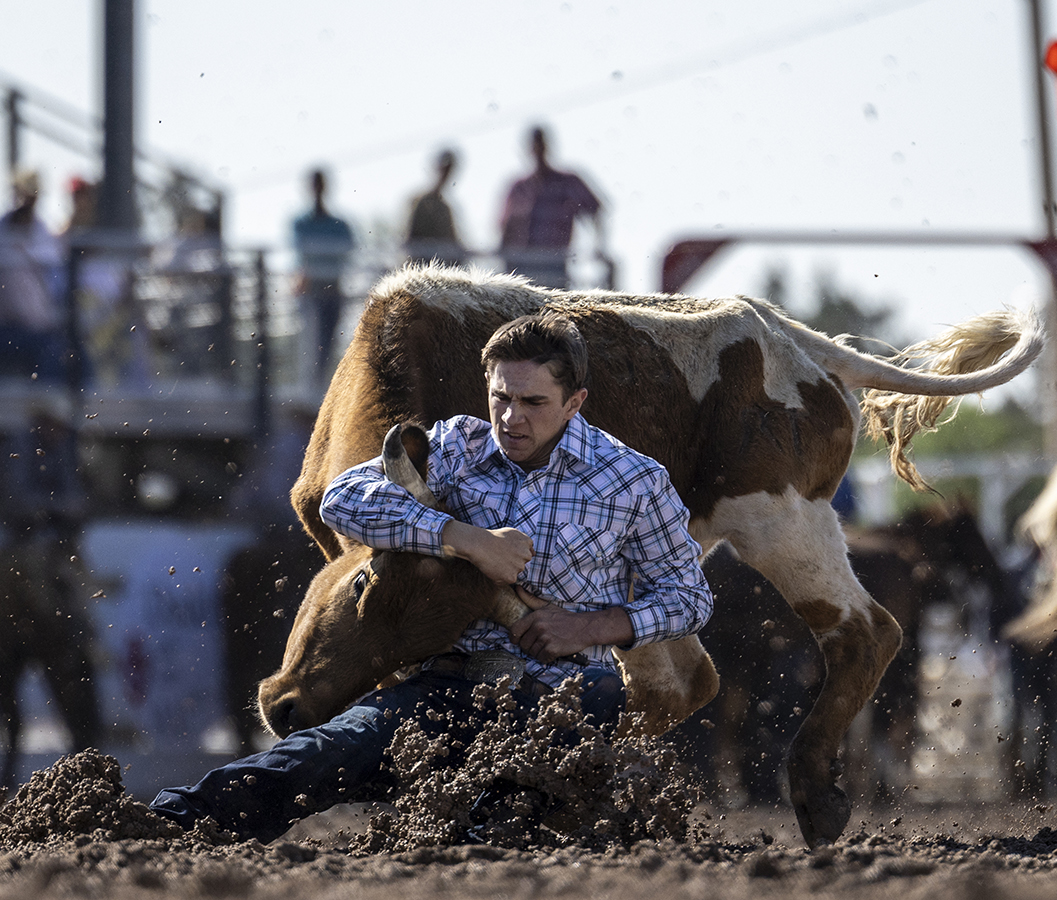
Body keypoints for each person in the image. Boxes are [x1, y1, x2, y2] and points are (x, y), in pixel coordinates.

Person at [150, 313, 714, 843]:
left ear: (575, 402)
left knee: (563, 736)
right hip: (444, 683)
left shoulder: (635, 481)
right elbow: (343, 501)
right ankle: (158, 823)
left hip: (567, 688)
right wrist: (464, 538)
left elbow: (689, 598)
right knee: (323, 753)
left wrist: (591, 627)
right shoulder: (455, 446)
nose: (512, 419)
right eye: (501, 398)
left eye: (534, 402)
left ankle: (480, 826)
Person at [0, 169, 70, 381]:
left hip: (32, 325)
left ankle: (75, 408)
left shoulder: (42, 232)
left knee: (73, 349)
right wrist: (50, 324)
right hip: (0, 328)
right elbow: (18, 304)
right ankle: (44, 404)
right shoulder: (4, 240)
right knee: (52, 347)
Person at [498, 126, 604, 288]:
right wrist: (503, 268)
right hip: (522, 268)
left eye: (541, 144)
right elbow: (505, 229)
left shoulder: (567, 182)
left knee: (554, 310)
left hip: (555, 266)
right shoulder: (519, 187)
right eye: (535, 145)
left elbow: (595, 211)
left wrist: (599, 248)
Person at [291, 169, 355, 380]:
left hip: (333, 290)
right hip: (310, 292)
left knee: (330, 344)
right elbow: (300, 254)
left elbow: (348, 252)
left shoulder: (340, 224)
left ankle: (324, 392)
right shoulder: (300, 223)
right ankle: (307, 393)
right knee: (310, 344)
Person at [405, 148, 466, 267]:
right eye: (444, 169)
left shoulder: (445, 207)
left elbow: (453, 244)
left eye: (449, 170)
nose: (446, 174)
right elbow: (410, 241)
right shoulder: (421, 202)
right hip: (421, 272)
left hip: (443, 271)